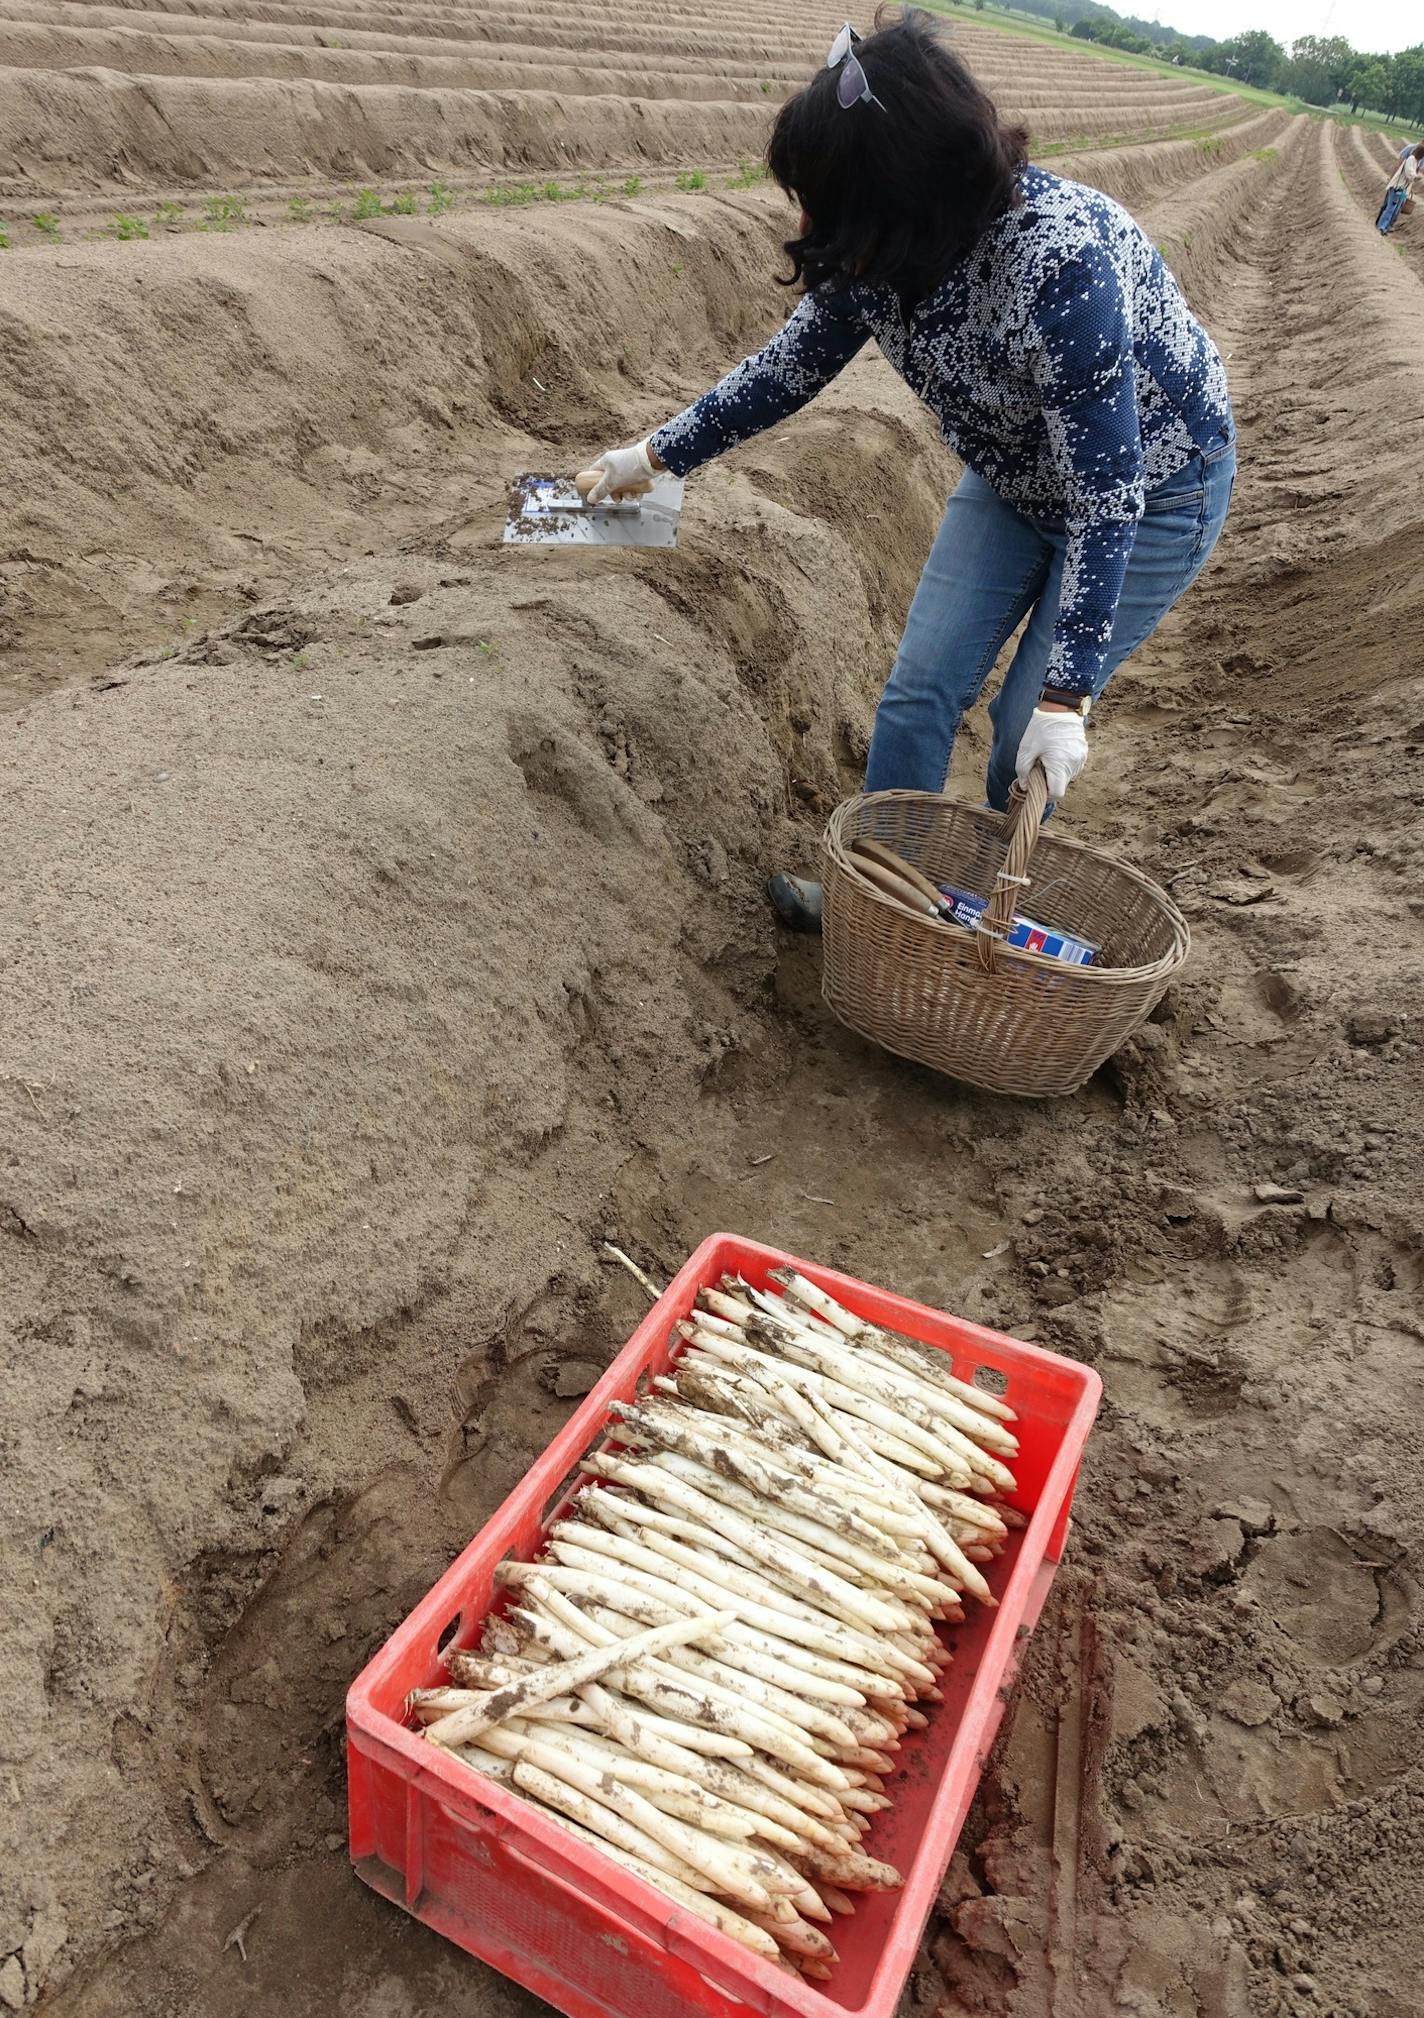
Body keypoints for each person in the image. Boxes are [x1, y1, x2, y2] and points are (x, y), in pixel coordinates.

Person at [584, 9, 1236, 931]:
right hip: (1012, 479)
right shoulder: (873, 256)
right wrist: (652, 457)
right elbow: (788, 370)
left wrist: (1065, 695)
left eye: (820, 198)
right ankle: (880, 900)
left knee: (1021, 732)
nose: (805, 222)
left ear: (899, 195)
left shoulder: (1057, 262)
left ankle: (970, 919)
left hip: (1156, 493)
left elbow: (1106, 496)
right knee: (922, 691)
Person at [1378, 143, 1423, 234]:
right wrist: (1418, 177)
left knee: (1397, 208)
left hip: (1404, 189)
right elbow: (1409, 175)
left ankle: (1387, 226)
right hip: (1398, 188)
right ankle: (1382, 227)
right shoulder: (1411, 160)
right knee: (1391, 207)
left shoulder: (1415, 161)